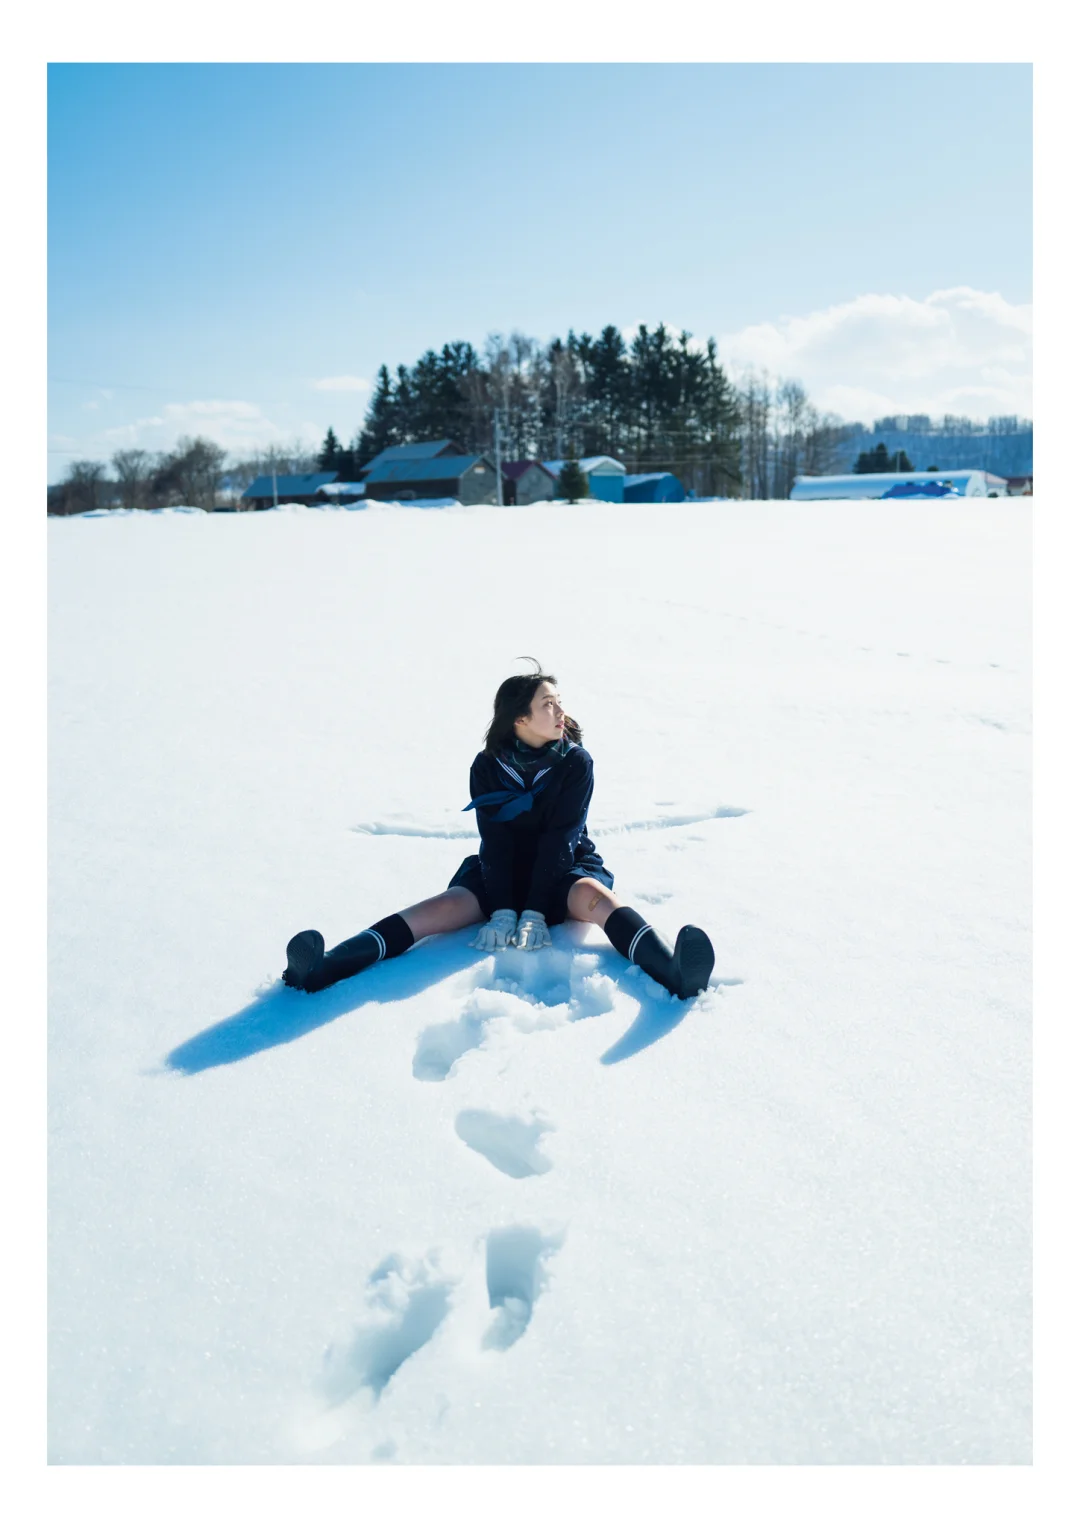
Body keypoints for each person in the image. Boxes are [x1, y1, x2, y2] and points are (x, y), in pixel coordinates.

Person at [281, 661, 715, 1000]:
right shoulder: (487, 766)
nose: (560, 711)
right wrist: (505, 907)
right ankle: (323, 969)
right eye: (548, 704)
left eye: (559, 701)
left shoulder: (575, 762)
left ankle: (674, 972)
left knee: (595, 900)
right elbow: (496, 839)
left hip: (564, 864)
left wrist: (536, 909)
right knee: (439, 909)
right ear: (519, 720)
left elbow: (561, 836)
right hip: (500, 867)